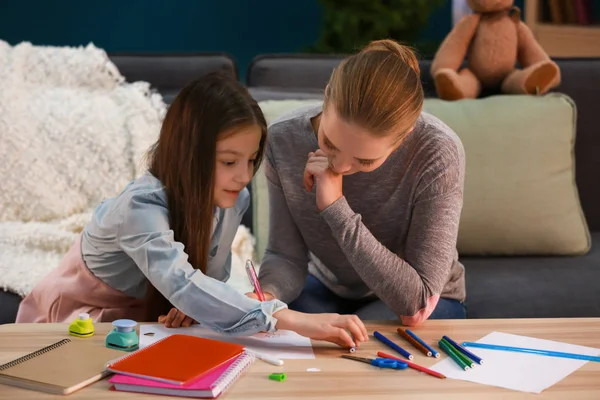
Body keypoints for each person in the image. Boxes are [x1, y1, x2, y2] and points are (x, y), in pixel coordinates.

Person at [15, 73, 368, 349]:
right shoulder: (139, 206)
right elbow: (182, 282)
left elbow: (204, 283)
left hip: (151, 328)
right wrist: (289, 318)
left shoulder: (233, 201)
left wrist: (193, 305)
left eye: (251, 160)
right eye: (229, 161)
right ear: (189, 154)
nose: (244, 177)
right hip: (78, 325)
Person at [253, 39, 467, 325]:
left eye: (365, 161)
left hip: (412, 300)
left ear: (403, 139)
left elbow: (415, 303)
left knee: (360, 345)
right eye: (329, 142)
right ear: (326, 97)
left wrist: (335, 208)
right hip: (325, 288)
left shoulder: (437, 151)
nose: (339, 166)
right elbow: (285, 256)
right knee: (271, 330)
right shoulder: (284, 139)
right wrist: (264, 297)